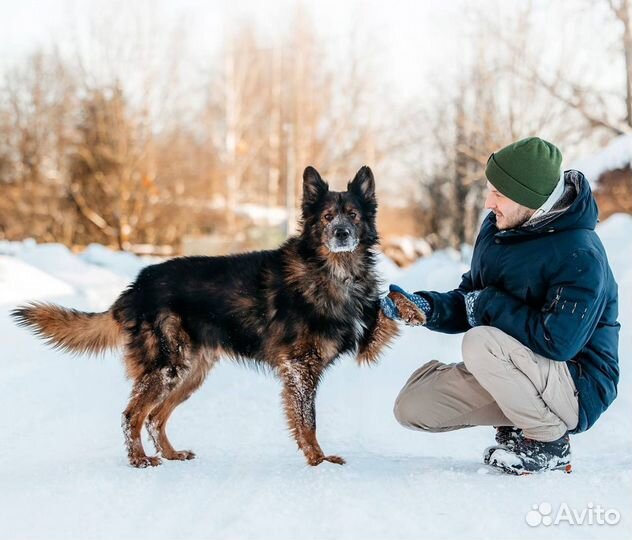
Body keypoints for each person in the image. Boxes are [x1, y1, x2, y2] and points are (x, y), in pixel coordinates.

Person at [381, 137, 620, 475]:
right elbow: (472, 299)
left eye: (499, 194)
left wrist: (490, 304)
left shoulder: (580, 254)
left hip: (577, 385)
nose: (488, 202)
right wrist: (428, 308)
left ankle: (548, 441)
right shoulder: (498, 229)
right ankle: (521, 422)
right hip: (515, 369)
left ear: (531, 199)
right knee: (413, 406)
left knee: (479, 342)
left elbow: (560, 342)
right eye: (490, 189)